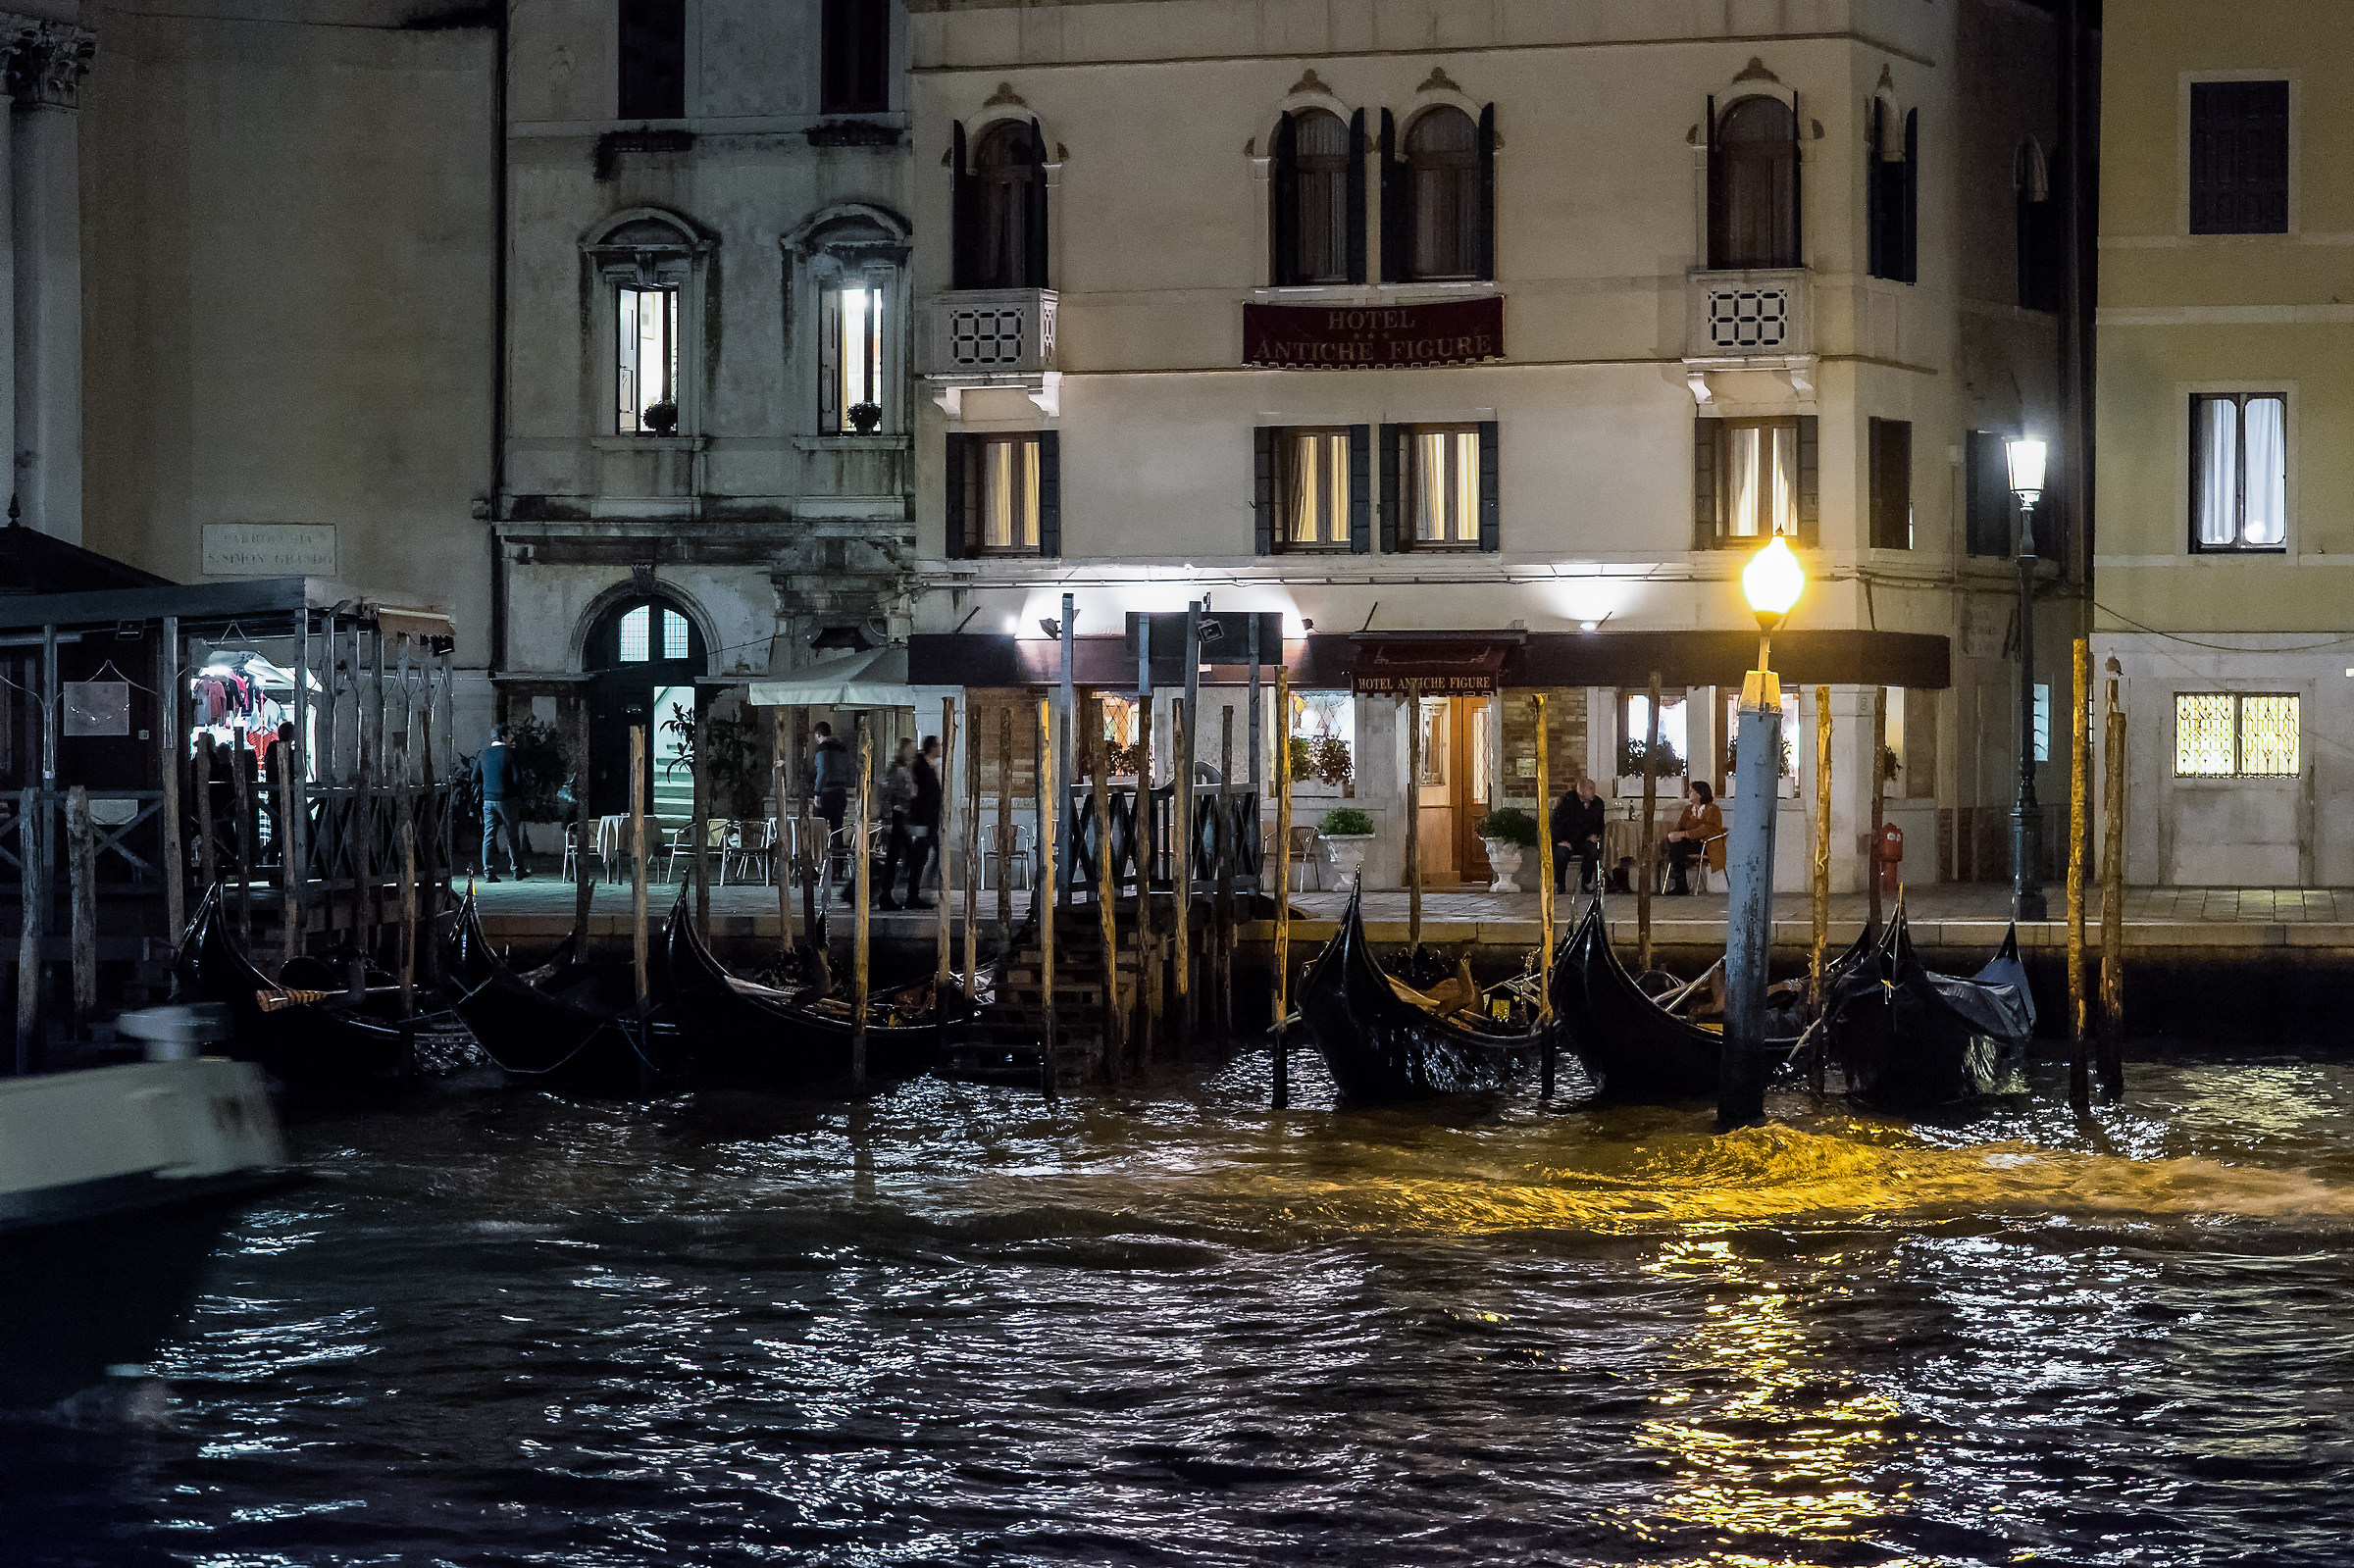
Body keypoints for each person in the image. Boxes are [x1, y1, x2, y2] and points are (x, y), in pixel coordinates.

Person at [476, 724, 531, 882]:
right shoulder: (510, 754)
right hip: (507, 800)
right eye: (509, 736)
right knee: (512, 835)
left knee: (489, 836)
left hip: (488, 800)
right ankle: (517, 870)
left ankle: (488, 872)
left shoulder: (483, 754)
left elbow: (474, 778)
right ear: (504, 737)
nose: (511, 739)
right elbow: (517, 779)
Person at [896, 733, 943, 909]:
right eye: (938, 745)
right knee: (919, 857)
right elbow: (920, 796)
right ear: (932, 747)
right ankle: (913, 893)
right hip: (922, 819)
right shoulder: (921, 766)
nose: (940, 748)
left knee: (930, 854)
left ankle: (919, 889)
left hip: (930, 819)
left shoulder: (930, 766)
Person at [811, 721, 855, 900]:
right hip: (841, 793)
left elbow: (823, 771)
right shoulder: (842, 749)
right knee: (837, 832)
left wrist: (816, 793)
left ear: (817, 735)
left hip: (827, 793)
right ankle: (838, 870)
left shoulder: (823, 750)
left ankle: (817, 868)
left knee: (817, 831)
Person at [1662, 779, 1725, 895]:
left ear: (1700, 793)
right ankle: (1680, 881)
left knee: (1676, 848)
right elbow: (1681, 826)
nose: (1688, 793)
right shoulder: (1688, 810)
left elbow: (1707, 828)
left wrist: (1685, 834)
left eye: (1691, 791)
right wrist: (1676, 835)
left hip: (1705, 844)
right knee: (1673, 843)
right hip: (1688, 843)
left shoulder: (1712, 809)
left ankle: (1680, 882)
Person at [876, 738, 917, 909]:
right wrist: (887, 819)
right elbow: (887, 795)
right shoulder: (895, 770)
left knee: (907, 857)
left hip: (901, 817)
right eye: (910, 748)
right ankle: (886, 894)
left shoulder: (905, 769)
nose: (912, 751)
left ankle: (896, 893)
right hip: (896, 817)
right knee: (895, 858)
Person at [1552, 776, 1607, 894]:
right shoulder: (1567, 802)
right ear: (1581, 791)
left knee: (1593, 851)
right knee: (1562, 853)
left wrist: (1595, 834)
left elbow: (1600, 824)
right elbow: (1555, 823)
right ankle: (1560, 884)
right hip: (1567, 839)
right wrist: (1560, 840)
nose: (1593, 792)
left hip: (1584, 840)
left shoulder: (1598, 804)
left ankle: (1585, 882)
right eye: (1590, 789)